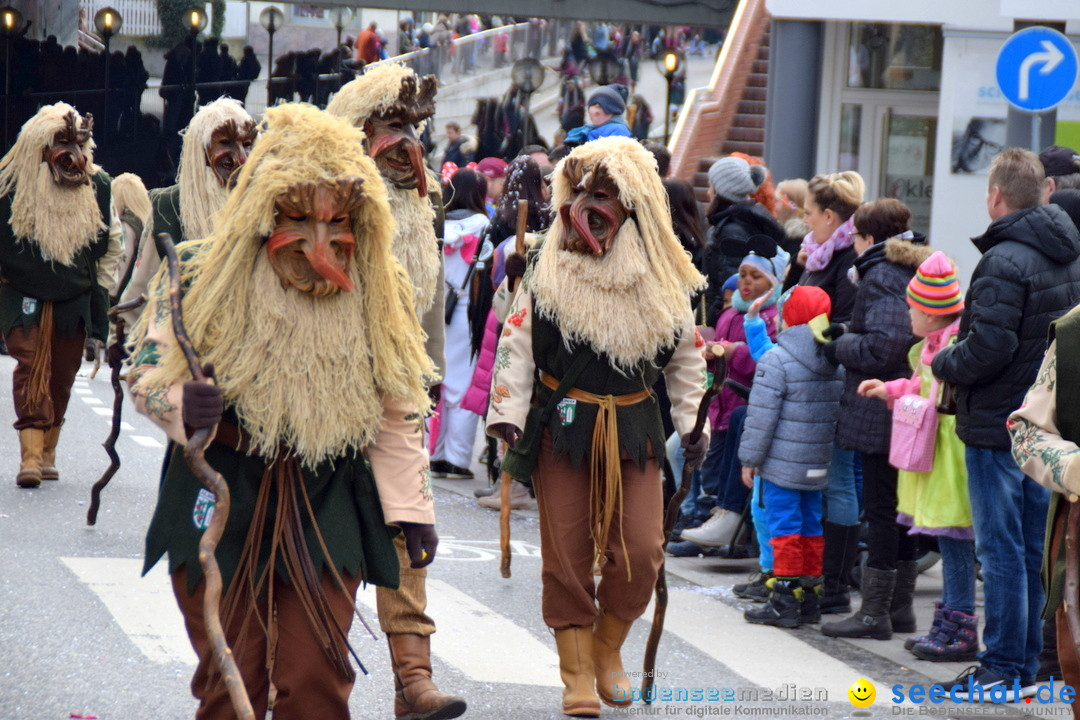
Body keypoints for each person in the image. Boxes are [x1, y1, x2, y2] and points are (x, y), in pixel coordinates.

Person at [126, 103, 439, 720]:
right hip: (224, 485)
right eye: (298, 217)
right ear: (264, 209)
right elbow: (142, 373)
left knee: (316, 680)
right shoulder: (198, 271)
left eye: (338, 219)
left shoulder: (380, 284)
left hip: (328, 493)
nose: (321, 242)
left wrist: (412, 509)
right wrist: (184, 405)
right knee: (229, 684)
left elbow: (399, 402)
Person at [487, 137, 707, 716]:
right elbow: (515, 341)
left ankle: (609, 647)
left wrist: (691, 423)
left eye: (605, 193)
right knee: (565, 554)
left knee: (641, 550)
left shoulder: (664, 276)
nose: (589, 203)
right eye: (581, 189)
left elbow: (686, 358)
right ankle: (578, 673)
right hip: (562, 426)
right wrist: (508, 415)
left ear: (635, 206)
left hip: (635, 428)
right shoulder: (543, 263)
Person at [326, 65, 465, 720]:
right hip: (326, 390)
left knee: (410, 533)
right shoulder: (325, 198)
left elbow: (428, 301)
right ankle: (299, 678)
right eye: (391, 129)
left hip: (400, 393)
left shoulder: (424, 202)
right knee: (318, 536)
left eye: (414, 130)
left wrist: (431, 377)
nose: (408, 145)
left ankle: (414, 680)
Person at [934, 147, 1080, 698]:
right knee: (1029, 551)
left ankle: (1002, 668)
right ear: (1042, 191)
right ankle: (1023, 667)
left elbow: (988, 347)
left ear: (995, 195)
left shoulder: (1003, 258)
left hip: (998, 423)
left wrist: (944, 359)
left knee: (999, 550)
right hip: (1046, 425)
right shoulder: (1069, 252)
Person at [819, 198, 932, 640]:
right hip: (906, 407)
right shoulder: (911, 266)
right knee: (900, 510)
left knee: (883, 510)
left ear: (867, 239)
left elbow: (886, 345)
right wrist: (849, 331)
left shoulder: (881, 272)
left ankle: (874, 614)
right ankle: (899, 608)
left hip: (882, 408)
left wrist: (840, 347)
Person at [857, 252, 976, 661]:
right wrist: (888, 389)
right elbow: (916, 385)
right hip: (935, 454)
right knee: (947, 539)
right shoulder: (929, 347)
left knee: (955, 541)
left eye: (912, 307)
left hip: (949, 458)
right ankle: (947, 623)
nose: (906, 313)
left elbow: (933, 392)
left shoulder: (953, 348)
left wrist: (898, 392)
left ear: (930, 313)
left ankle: (958, 626)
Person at [0, 103, 123, 488]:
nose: (72, 157)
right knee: (30, 365)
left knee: (63, 375)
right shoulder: (9, 184)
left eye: (78, 145)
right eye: (61, 144)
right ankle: (31, 457)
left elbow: (110, 247)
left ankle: (49, 451)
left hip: (75, 297)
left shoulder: (99, 185)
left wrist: (101, 304)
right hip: (22, 294)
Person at [740, 285, 844, 627]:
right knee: (812, 526)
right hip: (817, 464)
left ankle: (784, 600)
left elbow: (761, 418)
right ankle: (811, 597)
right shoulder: (834, 360)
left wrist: (749, 459)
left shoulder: (777, 360)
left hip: (781, 466)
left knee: (783, 527)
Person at [114, 98, 257, 343]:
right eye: (226, 144)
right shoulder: (170, 205)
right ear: (200, 150)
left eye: (247, 144)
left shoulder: (265, 204)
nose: (242, 157)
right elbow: (144, 283)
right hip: (184, 344)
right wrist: (124, 336)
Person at [678, 246, 789, 552]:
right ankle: (706, 521)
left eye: (756, 276)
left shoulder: (771, 316)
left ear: (773, 282)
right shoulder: (730, 313)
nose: (746, 282)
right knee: (709, 470)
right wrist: (709, 350)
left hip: (742, 404)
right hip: (719, 406)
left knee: (729, 470)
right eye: (743, 275)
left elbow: (766, 361)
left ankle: (726, 534)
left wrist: (732, 351)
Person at [793, 170, 865, 615]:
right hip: (810, 375)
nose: (804, 222)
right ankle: (813, 576)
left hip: (832, 378)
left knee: (838, 479)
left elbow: (840, 321)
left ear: (830, 216)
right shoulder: (817, 254)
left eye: (809, 214)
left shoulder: (845, 262)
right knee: (823, 480)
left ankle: (835, 585)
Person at [434, 168, 490, 480]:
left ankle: (433, 453)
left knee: (435, 386)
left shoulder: (438, 223)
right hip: (466, 315)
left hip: (434, 311)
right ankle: (456, 458)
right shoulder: (482, 224)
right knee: (460, 388)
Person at [702, 155, 786, 324]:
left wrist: (715, 317)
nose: (708, 191)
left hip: (728, 320)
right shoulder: (741, 221)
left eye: (711, 186)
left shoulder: (732, 230)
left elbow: (731, 284)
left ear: (723, 191)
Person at [564, 85, 633, 147]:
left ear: (613, 110)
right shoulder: (586, 130)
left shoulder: (619, 129)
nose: (596, 112)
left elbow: (612, 155)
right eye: (593, 105)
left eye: (601, 107)